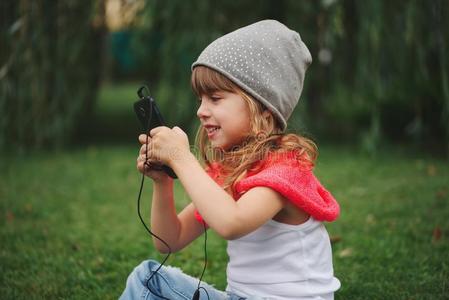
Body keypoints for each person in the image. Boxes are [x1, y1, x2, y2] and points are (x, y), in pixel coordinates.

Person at [120, 20, 341, 300]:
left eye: (215, 98)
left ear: (263, 113)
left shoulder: (285, 171)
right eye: (200, 99)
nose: (201, 111)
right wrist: (163, 181)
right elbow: (170, 240)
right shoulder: (229, 172)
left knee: (148, 281)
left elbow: (231, 223)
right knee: (149, 277)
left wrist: (182, 158)